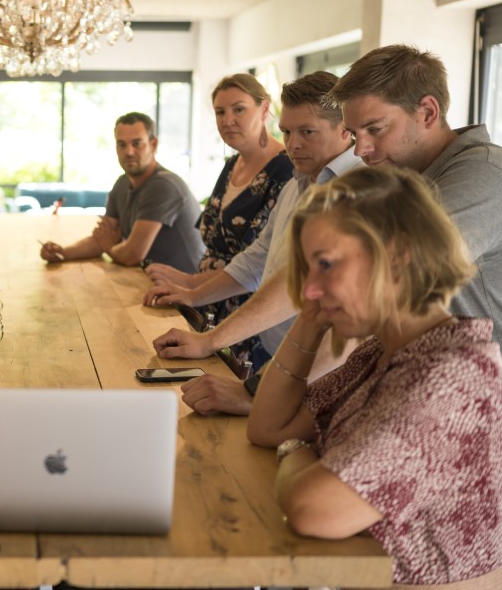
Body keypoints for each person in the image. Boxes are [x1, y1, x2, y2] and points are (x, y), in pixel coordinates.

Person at [246, 166, 502, 587]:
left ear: (397, 256)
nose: (308, 288)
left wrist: (296, 452)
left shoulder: (455, 375)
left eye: (326, 264)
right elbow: (268, 426)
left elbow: (316, 509)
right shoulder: (382, 354)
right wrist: (310, 322)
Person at [147, 72, 361, 415]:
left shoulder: (359, 191)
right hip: (280, 351)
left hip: (324, 368)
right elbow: (256, 260)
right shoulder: (297, 183)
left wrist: (211, 341)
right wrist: (192, 294)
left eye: (307, 132)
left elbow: (303, 283)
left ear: (345, 129)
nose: (292, 144)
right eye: (288, 132)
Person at [330, 44, 502, 348]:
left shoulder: (485, 173)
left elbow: (386, 279)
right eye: (355, 134)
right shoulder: (407, 181)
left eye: (375, 128)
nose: (360, 149)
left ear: (427, 112)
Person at [149, 74, 293, 363]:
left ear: (264, 110)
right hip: (209, 307)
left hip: (250, 319)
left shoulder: (288, 168)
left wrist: (191, 284)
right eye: (220, 112)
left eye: (239, 109)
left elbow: (258, 262)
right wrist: (190, 287)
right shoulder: (231, 164)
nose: (228, 120)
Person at [38, 112, 204, 270]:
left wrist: (109, 247)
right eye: (122, 144)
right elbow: (100, 240)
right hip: (150, 282)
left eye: (137, 144)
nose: (129, 152)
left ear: (153, 144)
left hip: (188, 293)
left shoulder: (164, 185)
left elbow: (132, 255)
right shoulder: (122, 183)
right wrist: (61, 253)